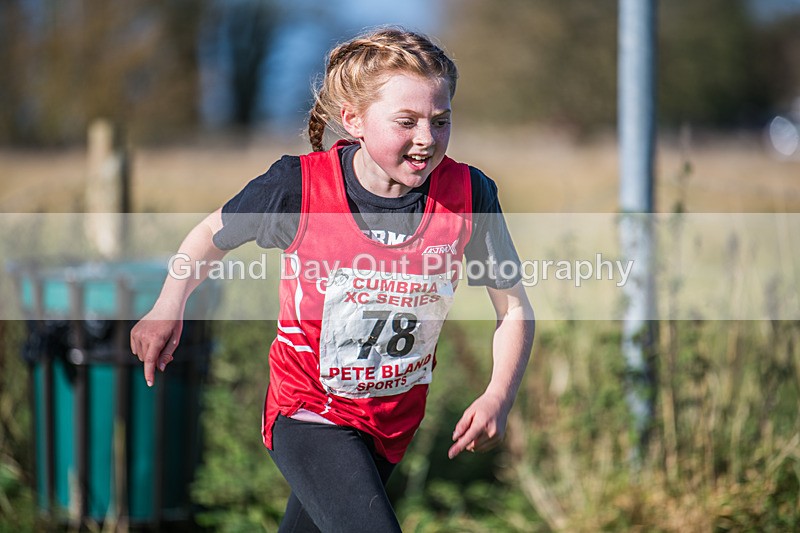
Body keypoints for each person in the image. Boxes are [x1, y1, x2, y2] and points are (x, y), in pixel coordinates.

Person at [130, 26, 534, 533]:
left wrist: (499, 394)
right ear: (354, 120)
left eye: (440, 120)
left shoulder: (469, 194)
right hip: (309, 411)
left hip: (391, 422)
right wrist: (168, 304)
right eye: (406, 121)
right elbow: (211, 234)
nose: (426, 138)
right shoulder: (298, 187)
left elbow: (513, 308)